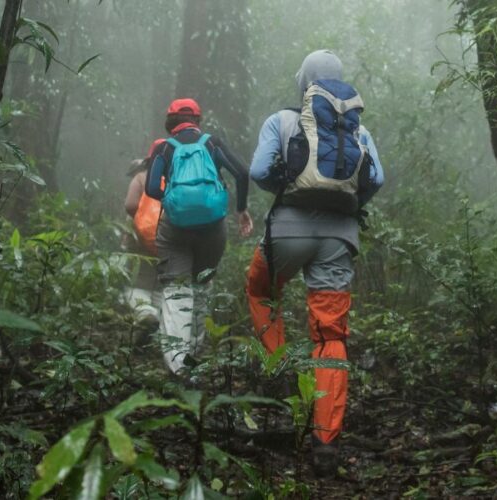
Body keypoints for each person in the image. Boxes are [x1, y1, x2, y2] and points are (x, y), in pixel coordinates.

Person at [246, 50, 384, 476]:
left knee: (261, 290)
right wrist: (346, 204)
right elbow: (376, 179)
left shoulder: (282, 121)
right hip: (339, 237)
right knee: (329, 332)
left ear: (302, 81)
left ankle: (281, 368)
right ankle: (325, 440)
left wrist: (286, 189)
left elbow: (257, 170)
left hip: (287, 230)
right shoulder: (359, 130)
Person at [145, 98, 253, 374]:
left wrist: (172, 197)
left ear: (170, 122)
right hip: (213, 228)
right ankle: (195, 356)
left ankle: (179, 366)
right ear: (197, 120)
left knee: (176, 289)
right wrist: (241, 209)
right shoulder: (212, 143)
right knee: (202, 285)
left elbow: (151, 189)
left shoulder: (163, 148)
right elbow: (242, 173)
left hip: (174, 229)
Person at [122, 150, 162, 340]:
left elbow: (130, 206)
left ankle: (146, 314)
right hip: (171, 241)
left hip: (142, 243)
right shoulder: (173, 178)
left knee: (136, 284)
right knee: (161, 285)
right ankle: (161, 327)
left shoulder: (140, 178)